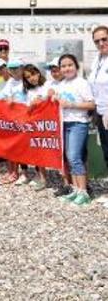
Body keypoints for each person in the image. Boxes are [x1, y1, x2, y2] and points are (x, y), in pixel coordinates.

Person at [53, 54, 95, 205]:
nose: (67, 68)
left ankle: (83, 192)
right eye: (63, 66)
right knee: (70, 159)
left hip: (78, 124)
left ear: (76, 66)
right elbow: (58, 102)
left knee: (75, 157)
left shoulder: (82, 83)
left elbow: (91, 104)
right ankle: (77, 190)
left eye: (70, 65)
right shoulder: (61, 84)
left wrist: (70, 105)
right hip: (65, 124)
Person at [22, 64, 49, 191]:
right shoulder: (30, 91)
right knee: (38, 152)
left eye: (32, 74)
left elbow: (52, 100)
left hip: (49, 124)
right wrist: (33, 104)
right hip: (36, 125)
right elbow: (28, 109)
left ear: (38, 73)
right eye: (27, 77)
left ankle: (68, 180)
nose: (31, 78)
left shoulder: (47, 86)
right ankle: (42, 177)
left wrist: (44, 99)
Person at [88, 25, 108, 176]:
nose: (101, 43)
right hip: (100, 113)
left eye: (104, 39)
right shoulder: (97, 60)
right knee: (106, 152)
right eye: (97, 41)